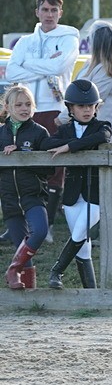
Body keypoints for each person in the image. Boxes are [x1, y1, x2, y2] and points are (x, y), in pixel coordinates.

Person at [4, 0, 80, 243]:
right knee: (17, 164)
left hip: (54, 107)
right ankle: (17, 222)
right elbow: (12, 72)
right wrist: (42, 63)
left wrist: (28, 66)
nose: (49, 14)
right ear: (37, 12)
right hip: (24, 108)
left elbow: (59, 68)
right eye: (45, 9)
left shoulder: (69, 38)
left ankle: (46, 226)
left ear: (60, 12)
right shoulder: (25, 42)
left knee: (52, 166)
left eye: (53, 10)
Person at [42, 79, 112, 289]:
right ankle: (92, 293)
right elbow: (46, 143)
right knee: (83, 247)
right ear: (71, 108)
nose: (87, 110)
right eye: (81, 106)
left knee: (80, 232)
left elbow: (103, 137)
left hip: (96, 193)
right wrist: (70, 144)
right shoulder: (64, 130)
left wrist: (70, 147)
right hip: (72, 194)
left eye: (91, 106)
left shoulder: (102, 125)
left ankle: (56, 271)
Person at [1, 85, 52, 289]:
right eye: (19, 104)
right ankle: (30, 296)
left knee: (39, 231)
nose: (24, 108)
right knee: (21, 245)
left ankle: (13, 269)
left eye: (28, 104)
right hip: (9, 199)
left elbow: (49, 170)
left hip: (33, 196)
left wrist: (22, 153)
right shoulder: (0, 134)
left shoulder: (40, 132)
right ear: (7, 107)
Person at [77, 21, 112, 137]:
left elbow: (87, 100)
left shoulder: (106, 72)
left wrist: (61, 118)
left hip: (98, 137)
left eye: (89, 39)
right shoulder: (91, 67)